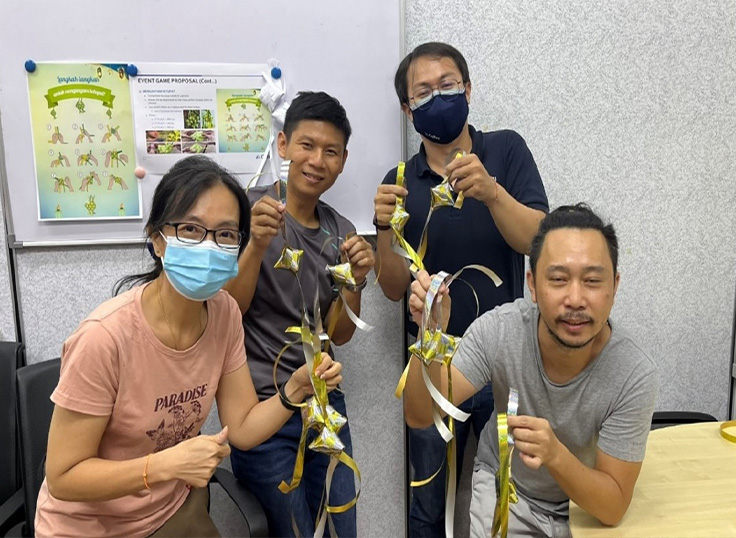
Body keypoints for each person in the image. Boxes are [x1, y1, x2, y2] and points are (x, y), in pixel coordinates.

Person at [34, 155, 343, 538]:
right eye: (192, 229)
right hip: (90, 529)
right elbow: (63, 477)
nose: (210, 246)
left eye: (227, 234)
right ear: (157, 238)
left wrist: (295, 389)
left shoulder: (225, 313)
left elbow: (243, 428)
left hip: (171, 514)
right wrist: (165, 466)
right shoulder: (104, 337)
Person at [373, 41, 549, 535]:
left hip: (506, 361)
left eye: (447, 85)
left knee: (506, 491)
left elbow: (538, 239)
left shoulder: (507, 149)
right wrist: (384, 229)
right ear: (408, 111)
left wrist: (492, 191)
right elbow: (391, 289)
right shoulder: (401, 179)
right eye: (423, 92)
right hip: (434, 363)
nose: (437, 97)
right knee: (428, 499)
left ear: (468, 89)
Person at [404, 204, 658, 537]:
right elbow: (420, 414)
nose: (576, 299)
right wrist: (430, 335)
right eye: (558, 279)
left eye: (593, 281)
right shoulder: (500, 331)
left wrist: (555, 454)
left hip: (582, 505)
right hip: (505, 491)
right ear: (533, 286)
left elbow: (612, 507)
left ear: (615, 286)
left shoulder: (633, 373)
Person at [225, 91, 374, 537]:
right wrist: (254, 244)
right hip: (262, 407)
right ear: (284, 145)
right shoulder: (243, 210)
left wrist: (356, 283)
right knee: (290, 529)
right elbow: (228, 311)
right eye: (307, 145)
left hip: (324, 403)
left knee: (340, 525)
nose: (317, 160)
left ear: (344, 161)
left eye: (331, 151)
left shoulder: (341, 231)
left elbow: (340, 335)